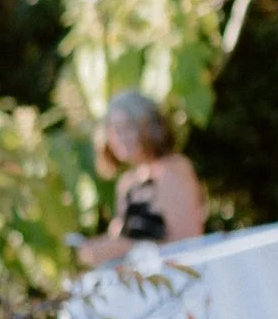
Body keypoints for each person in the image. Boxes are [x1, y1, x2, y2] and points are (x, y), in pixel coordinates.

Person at [84, 91, 206, 262]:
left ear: (148, 127)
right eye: (114, 130)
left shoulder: (171, 170)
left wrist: (124, 248)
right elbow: (120, 238)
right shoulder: (127, 183)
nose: (120, 138)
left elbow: (188, 243)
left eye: (127, 127)